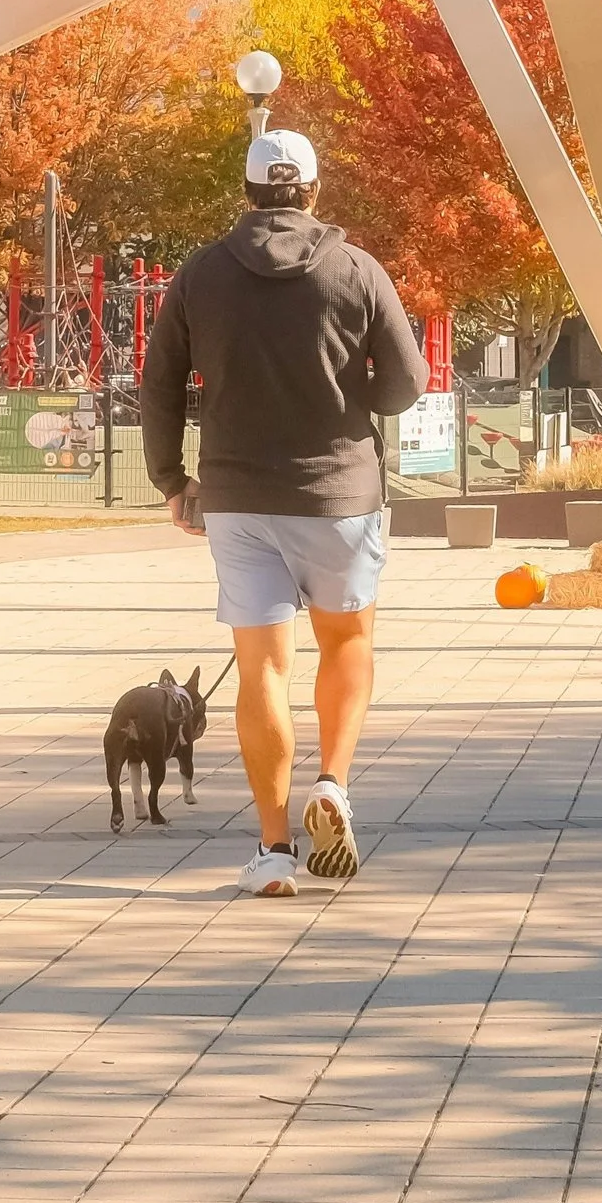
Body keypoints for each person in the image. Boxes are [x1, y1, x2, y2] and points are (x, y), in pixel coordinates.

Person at [142, 126, 428, 898]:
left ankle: (272, 850)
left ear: (247, 192)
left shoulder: (201, 275)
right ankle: (332, 782)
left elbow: (160, 380)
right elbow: (406, 383)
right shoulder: (356, 269)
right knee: (347, 640)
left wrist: (170, 477)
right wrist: (349, 396)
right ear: (312, 190)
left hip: (237, 498)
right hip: (342, 493)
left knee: (263, 664)